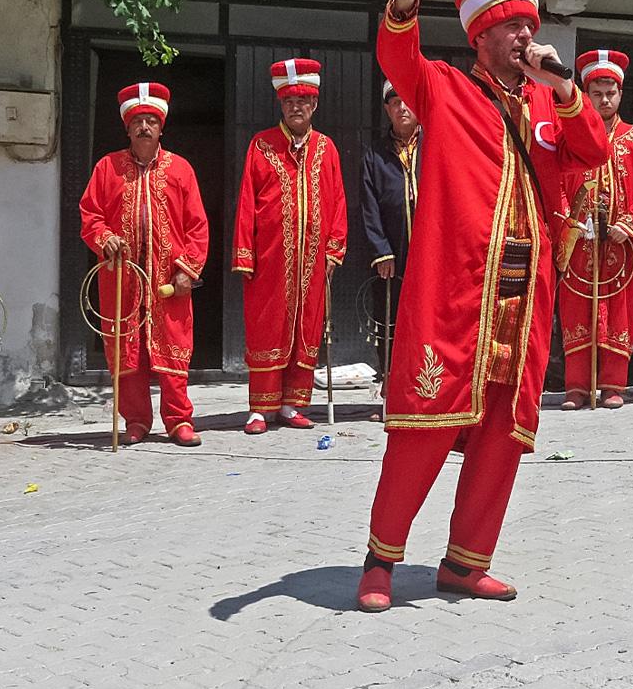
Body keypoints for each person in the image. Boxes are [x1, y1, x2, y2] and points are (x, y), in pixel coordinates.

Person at [357, 0, 609, 612]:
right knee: (426, 425)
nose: (524, 37)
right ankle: (381, 559)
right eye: (510, 28)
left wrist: (561, 89)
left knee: (505, 431)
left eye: (530, 25)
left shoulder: (549, 101)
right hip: (455, 293)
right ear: (481, 37)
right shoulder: (443, 89)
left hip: (527, 297)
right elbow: (394, 49)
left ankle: (466, 564)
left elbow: (593, 152)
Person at [79, 83, 209, 447]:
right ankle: (136, 420)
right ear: (127, 127)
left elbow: (198, 224)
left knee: (174, 349)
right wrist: (105, 239)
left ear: (161, 127)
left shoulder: (181, 169)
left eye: (151, 120)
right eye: (138, 121)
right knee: (126, 351)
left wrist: (189, 270)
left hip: (169, 280)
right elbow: (90, 214)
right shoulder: (107, 167)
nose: (145, 127)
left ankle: (178, 420)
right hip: (121, 279)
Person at [232, 58, 347, 434]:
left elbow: (338, 201)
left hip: (313, 262)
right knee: (268, 327)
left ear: (314, 105)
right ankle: (258, 409)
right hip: (269, 259)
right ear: (281, 105)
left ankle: (292, 404)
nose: (297, 107)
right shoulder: (261, 144)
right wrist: (244, 254)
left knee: (307, 328)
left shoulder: (326, 148)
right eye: (289, 101)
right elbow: (247, 200)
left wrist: (334, 249)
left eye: (304, 100)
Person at [556, 50, 633, 409]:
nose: (604, 99)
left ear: (620, 94)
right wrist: (571, 223)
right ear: (586, 95)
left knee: (618, 309)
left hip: (621, 245)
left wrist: (627, 225)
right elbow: (556, 183)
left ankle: (614, 385)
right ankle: (577, 387)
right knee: (576, 309)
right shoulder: (568, 138)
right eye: (597, 93)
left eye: (610, 92)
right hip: (579, 244)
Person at [360, 80, 420, 391]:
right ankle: (391, 386)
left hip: (430, 248)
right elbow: (369, 206)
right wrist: (380, 250)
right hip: (392, 252)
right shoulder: (375, 154)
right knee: (390, 318)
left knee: (428, 318)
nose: (402, 108)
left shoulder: (435, 145)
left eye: (407, 101)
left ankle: (426, 387)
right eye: (395, 103)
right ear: (387, 109)